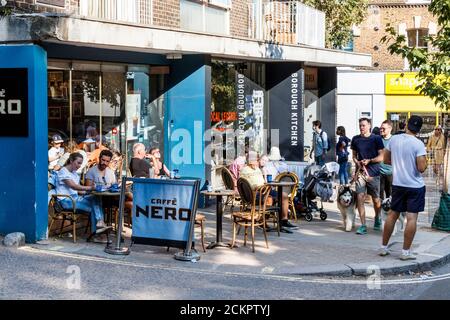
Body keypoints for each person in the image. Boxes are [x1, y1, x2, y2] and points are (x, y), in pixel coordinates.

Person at [379, 115, 427, 260]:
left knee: (392, 214)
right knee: (411, 218)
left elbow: (386, 159)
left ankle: (383, 247)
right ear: (418, 129)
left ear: (406, 125)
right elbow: (421, 168)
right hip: (415, 186)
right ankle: (405, 252)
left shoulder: (394, 139)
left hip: (398, 184)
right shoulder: (418, 144)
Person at [239, 151, 298, 232]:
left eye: (257, 160)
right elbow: (251, 185)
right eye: (256, 160)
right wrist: (264, 188)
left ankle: (284, 221)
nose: (258, 161)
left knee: (284, 195)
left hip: (263, 190)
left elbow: (262, 182)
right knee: (269, 199)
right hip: (253, 194)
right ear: (251, 161)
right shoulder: (245, 170)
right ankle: (262, 222)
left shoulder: (257, 169)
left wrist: (266, 187)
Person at [55, 152, 109, 235]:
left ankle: (99, 228)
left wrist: (91, 192)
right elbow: (74, 186)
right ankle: (98, 233)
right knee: (95, 209)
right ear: (71, 160)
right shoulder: (63, 172)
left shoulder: (74, 173)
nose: (80, 166)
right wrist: (90, 188)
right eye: (78, 163)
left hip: (75, 199)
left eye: (81, 163)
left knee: (96, 197)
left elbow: (79, 190)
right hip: (66, 201)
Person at [350, 117, 384, 235]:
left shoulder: (376, 139)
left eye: (364, 125)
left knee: (376, 200)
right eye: (360, 125)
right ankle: (363, 225)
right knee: (359, 197)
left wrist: (370, 160)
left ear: (369, 125)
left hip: (373, 173)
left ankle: (377, 217)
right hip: (360, 173)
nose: (361, 128)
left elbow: (382, 157)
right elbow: (354, 155)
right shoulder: (355, 139)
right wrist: (357, 162)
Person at [379, 120, 393, 200]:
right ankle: (379, 212)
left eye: (383, 128)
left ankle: (388, 212)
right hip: (379, 172)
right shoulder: (377, 139)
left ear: (390, 129)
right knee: (379, 197)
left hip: (391, 173)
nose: (381, 130)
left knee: (390, 197)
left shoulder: (394, 140)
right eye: (381, 128)